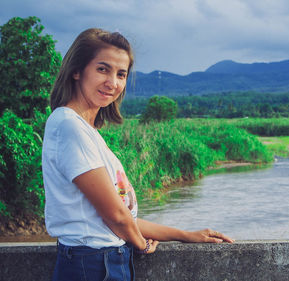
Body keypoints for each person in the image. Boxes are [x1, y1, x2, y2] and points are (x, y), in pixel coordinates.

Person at [42, 28, 233, 281]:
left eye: (121, 74)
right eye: (103, 69)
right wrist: (140, 244)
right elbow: (116, 217)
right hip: (92, 266)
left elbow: (123, 216)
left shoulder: (88, 131)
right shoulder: (69, 125)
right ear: (77, 70)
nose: (113, 82)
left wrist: (185, 235)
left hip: (105, 261)